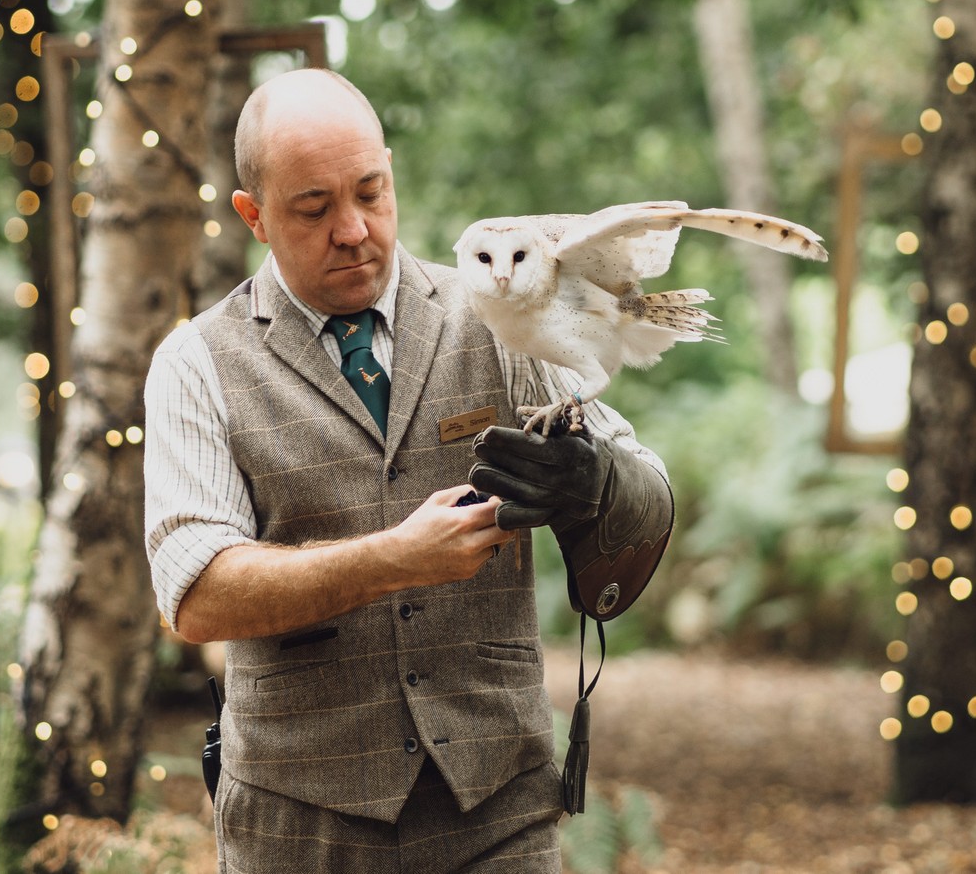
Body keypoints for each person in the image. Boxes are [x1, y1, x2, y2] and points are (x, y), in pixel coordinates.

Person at [143, 68, 673, 872]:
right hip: (299, 831)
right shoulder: (196, 362)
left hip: (499, 815)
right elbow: (196, 593)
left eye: (371, 191)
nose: (354, 228)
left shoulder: (503, 308)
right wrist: (395, 557)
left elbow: (650, 507)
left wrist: (596, 481)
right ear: (253, 215)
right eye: (314, 208)